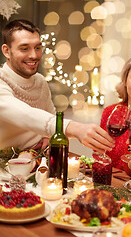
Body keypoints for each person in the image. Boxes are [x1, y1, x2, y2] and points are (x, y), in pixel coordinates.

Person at [0, 19, 115, 153]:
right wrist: (74, 128)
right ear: (6, 51)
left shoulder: (40, 81)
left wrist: (46, 137)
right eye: (24, 49)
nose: (34, 55)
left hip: (37, 162)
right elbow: (24, 114)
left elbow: (51, 119)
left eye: (37, 48)